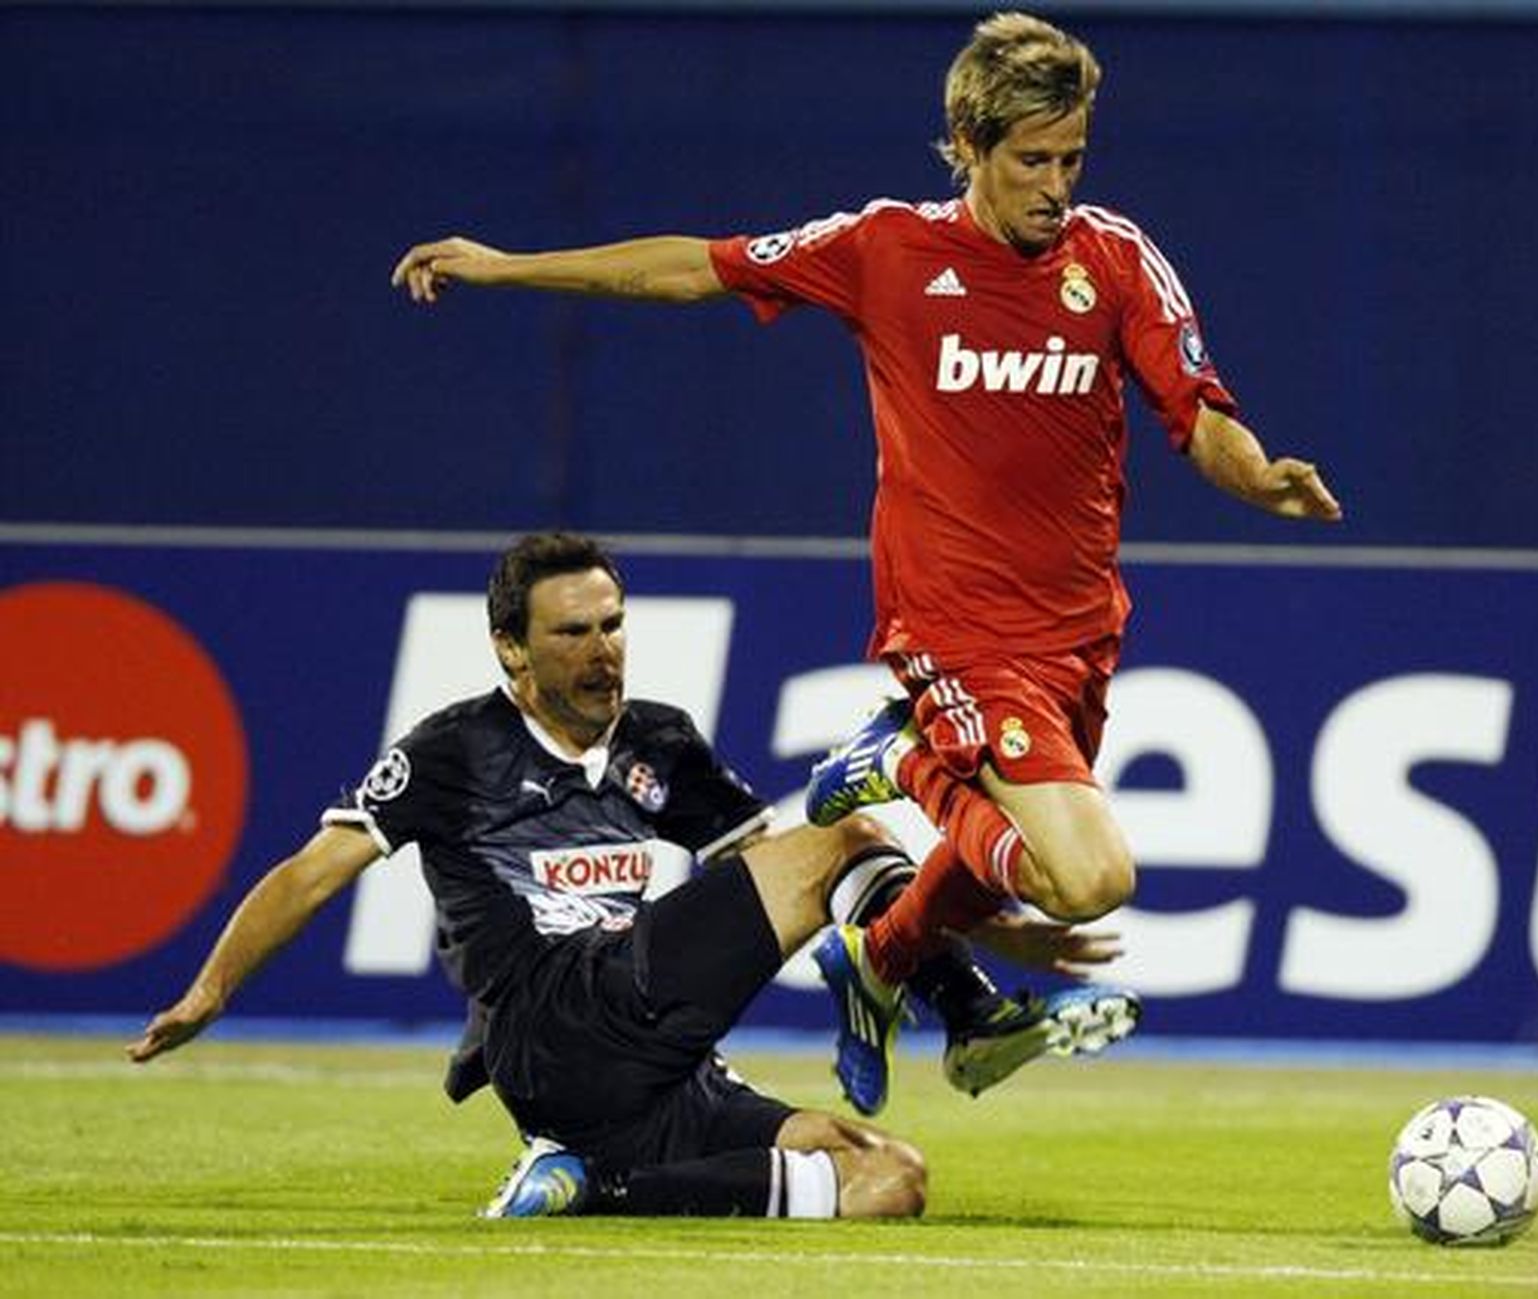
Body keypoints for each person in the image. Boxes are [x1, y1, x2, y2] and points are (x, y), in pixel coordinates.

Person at [390, 12, 1337, 1112]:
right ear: (968, 146)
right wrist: (507, 268)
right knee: (1091, 878)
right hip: (953, 627)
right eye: (1032, 160)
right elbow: (691, 269)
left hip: (1078, 631)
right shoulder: (886, 249)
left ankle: (879, 956)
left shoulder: (1116, 259)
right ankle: (910, 762)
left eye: (1072, 159)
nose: (1056, 187)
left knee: (1014, 864)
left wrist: (1259, 477)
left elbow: (1197, 411)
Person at [126, 531, 1117, 1218]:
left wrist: (993, 922)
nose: (602, 651)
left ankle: (592, 1182)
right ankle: (967, 1014)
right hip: (548, 1020)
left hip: (647, 1070)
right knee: (848, 831)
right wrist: (211, 991)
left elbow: (781, 870)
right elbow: (310, 873)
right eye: (573, 633)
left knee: (889, 1179)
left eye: (612, 624)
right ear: (511, 649)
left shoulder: (659, 742)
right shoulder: (455, 750)